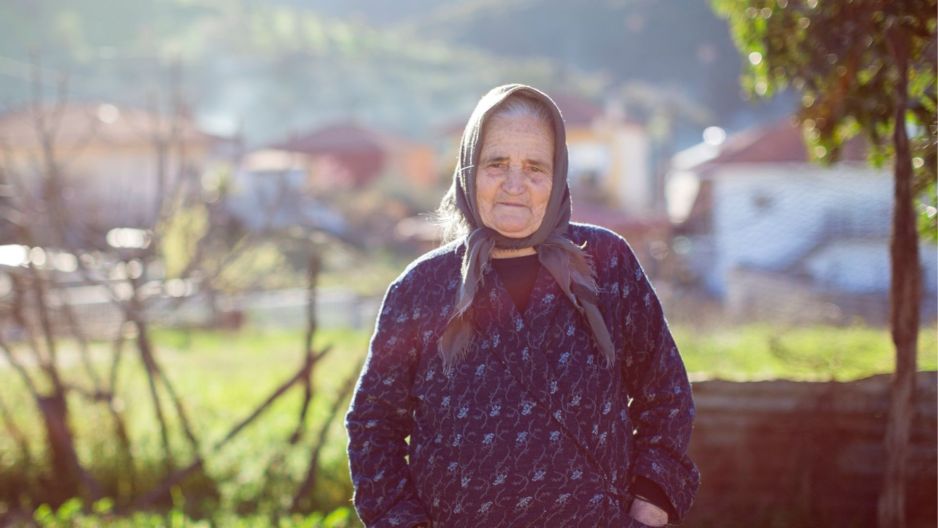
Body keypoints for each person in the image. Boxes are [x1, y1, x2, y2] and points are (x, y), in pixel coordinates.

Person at [345, 84, 700, 527]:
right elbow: (373, 425)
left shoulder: (606, 262)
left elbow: (666, 394)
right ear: (469, 170)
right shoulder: (421, 288)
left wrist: (650, 506)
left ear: (557, 175)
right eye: (496, 164)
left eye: (535, 168)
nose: (514, 185)